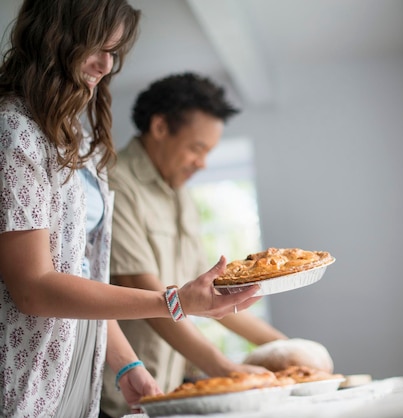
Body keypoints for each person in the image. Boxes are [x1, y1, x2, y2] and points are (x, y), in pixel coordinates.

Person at [0, 2, 260, 417]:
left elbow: (79, 274)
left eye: (114, 52)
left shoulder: (76, 141)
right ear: (54, 35)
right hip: (26, 377)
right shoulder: (14, 132)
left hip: (78, 370)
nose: (105, 65)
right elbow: (34, 288)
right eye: (97, 47)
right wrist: (174, 302)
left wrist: (126, 363)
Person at [100, 72, 297, 418]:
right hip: (120, 397)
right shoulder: (117, 183)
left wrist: (289, 350)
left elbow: (212, 296)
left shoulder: (179, 193)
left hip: (170, 390)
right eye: (197, 148)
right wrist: (223, 367)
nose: (203, 163)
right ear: (160, 128)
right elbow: (144, 290)